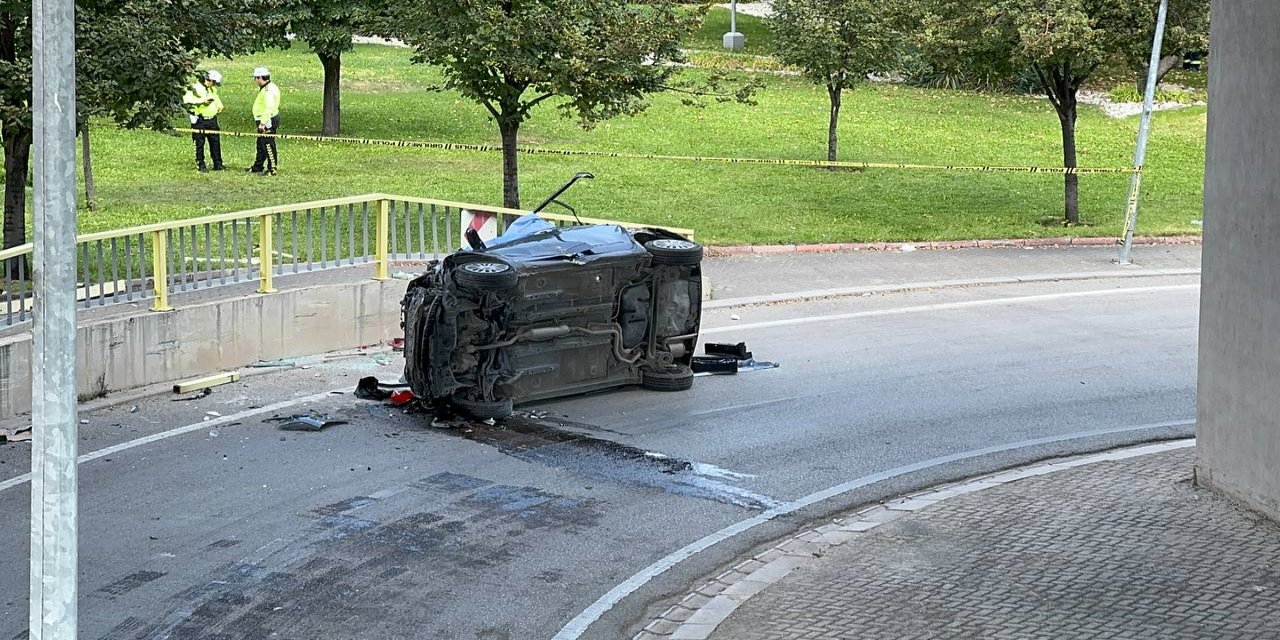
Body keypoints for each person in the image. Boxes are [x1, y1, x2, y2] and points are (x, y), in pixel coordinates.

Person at [182, 70, 225, 172]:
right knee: (199, 143)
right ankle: (200, 164)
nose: (214, 85)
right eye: (213, 82)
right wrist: (202, 102)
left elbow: (216, 98)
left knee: (215, 142)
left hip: (212, 120)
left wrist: (219, 106)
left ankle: (218, 164)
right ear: (208, 80)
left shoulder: (211, 89)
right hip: (199, 120)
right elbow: (187, 102)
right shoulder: (194, 88)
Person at [248, 67, 281, 176]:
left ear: (260, 78)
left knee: (268, 144)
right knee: (260, 144)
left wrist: (263, 123)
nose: (255, 80)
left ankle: (272, 168)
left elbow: (269, 107)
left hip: (267, 120)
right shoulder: (269, 87)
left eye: (255, 78)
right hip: (266, 119)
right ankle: (258, 166)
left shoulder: (268, 90)